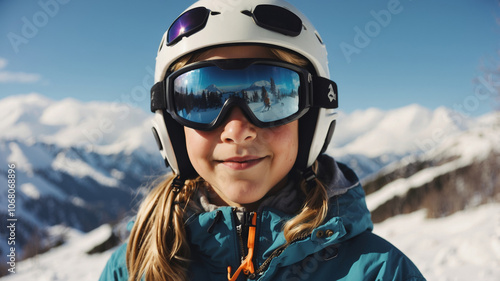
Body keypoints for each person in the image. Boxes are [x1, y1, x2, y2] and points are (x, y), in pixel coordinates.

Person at [99, 0, 426, 280]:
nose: (236, 130)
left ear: (312, 117)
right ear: (171, 123)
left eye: (268, 95)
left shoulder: (381, 272)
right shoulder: (132, 268)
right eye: (204, 100)